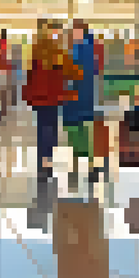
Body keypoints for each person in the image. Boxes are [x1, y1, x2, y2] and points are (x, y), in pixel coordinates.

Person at [24, 20, 76, 179]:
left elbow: (30, 74)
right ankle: (47, 160)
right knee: (50, 127)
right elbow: (68, 72)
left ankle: (44, 161)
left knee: (44, 127)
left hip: (42, 96)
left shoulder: (35, 50)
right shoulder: (57, 51)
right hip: (53, 96)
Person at [63, 21, 100, 183]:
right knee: (86, 133)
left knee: (76, 134)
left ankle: (77, 167)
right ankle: (90, 167)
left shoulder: (77, 50)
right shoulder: (90, 49)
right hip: (87, 98)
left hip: (76, 98)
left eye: (74, 31)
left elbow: (71, 73)